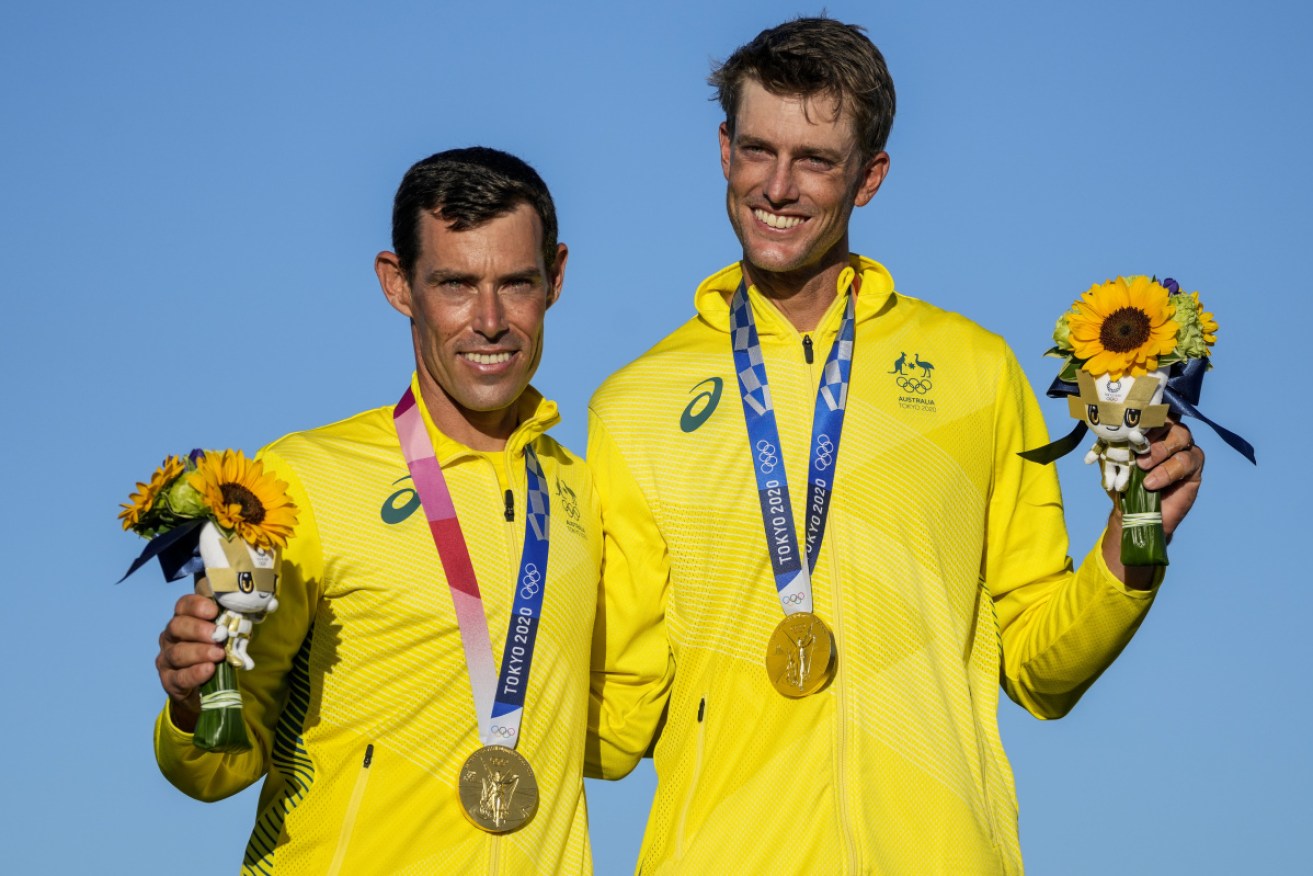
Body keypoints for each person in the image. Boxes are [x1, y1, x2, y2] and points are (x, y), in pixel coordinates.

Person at [585, 18, 1204, 874]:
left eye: (815, 160)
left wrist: (1137, 537)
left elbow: (1036, 669)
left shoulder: (974, 372)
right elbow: (618, 712)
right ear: (722, 149)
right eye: (757, 150)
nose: (777, 185)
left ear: (868, 177)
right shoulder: (633, 404)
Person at [155, 147, 603, 874]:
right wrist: (188, 702)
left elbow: (612, 734)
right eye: (454, 284)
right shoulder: (297, 481)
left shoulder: (583, 493)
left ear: (554, 277)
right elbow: (215, 769)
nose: (488, 321)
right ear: (399, 285)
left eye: (514, 284)